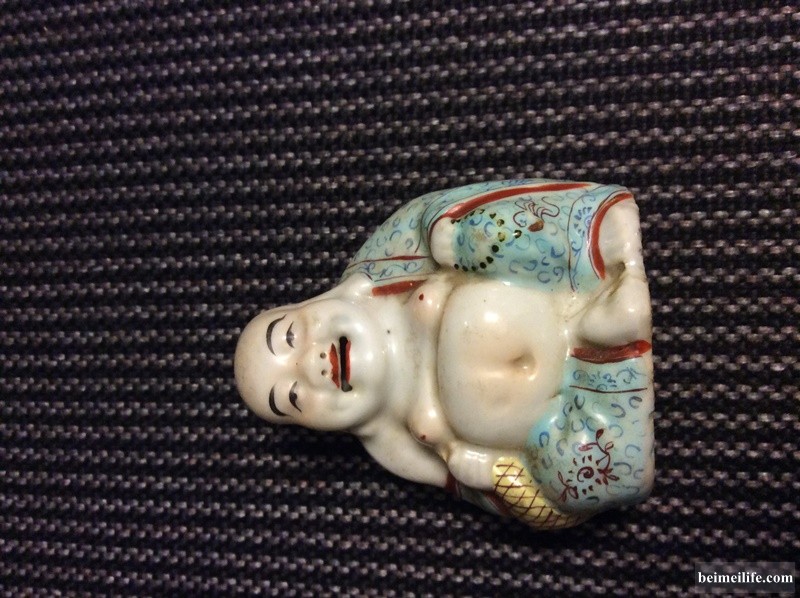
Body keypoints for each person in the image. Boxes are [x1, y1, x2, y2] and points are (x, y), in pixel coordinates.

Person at [234, 179, 654, 529]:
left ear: (310, 303)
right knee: (572, 483)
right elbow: (467, 487)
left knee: (482, 233)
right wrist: (486, 472)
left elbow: (428, 215)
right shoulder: (388, 446)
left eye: (290, 336)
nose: (311, 365)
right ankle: (608, 336)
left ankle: (599, 290)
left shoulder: (379, 264)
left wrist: (449, 236)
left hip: (542, 293)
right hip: (563, 414)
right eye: (293, 397)